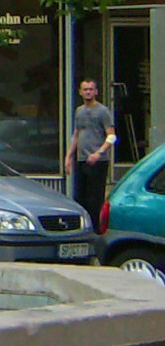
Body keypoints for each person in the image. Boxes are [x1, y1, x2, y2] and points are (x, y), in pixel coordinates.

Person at [64, 77, 118, 231]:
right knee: (81, 198)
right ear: (80, 92)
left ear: (96, 91)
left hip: (97, 162)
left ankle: (96, 231)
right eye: (85, 89)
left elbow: (112, 136)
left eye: (91, 89)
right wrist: (68, 157)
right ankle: (83, 229)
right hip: (81, 160)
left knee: (95, 199)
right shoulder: (79, 111)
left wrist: (98, 153)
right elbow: (76, 134)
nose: (88, 92)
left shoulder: (102, 111)